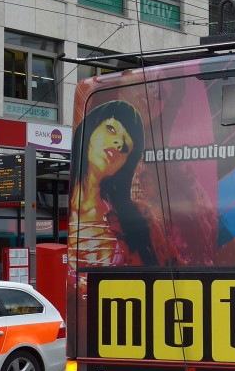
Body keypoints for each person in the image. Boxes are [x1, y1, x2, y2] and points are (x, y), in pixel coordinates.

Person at [69, 99, 170, 292]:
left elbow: (172, 274)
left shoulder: (139, 219)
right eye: (111, 128)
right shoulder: (63, 214)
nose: (118, 143)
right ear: (89, 131)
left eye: (126, 146)